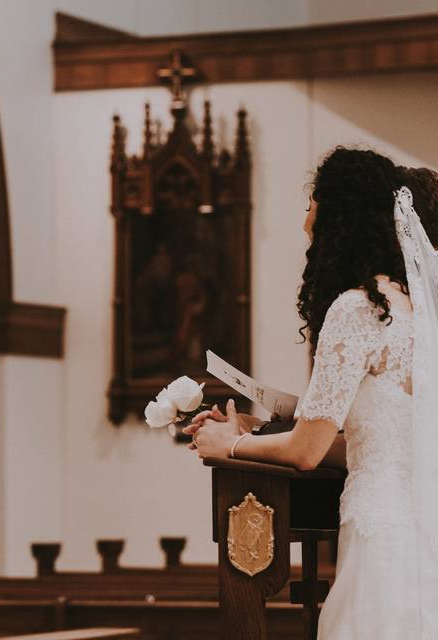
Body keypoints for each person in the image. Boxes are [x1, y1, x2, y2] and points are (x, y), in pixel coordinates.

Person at [184, 148, 438, 638]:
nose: (306, 223)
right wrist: (257, 430)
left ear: (340, 216)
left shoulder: (358, 309)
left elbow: (307, 451)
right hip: (423, 530)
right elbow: (374, 444)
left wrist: (229, 445)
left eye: (313, 204)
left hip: (381, 533)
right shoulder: (417, 316)